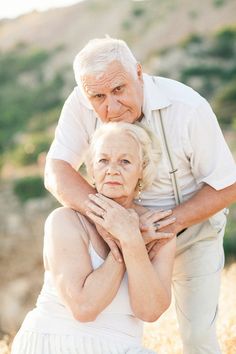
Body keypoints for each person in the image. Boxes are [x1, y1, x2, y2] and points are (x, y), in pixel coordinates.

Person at [44, 37, 236, 354]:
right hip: (117, 231)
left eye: (119, 90)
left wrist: (160, 226)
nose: (112, 107)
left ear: (138, 72)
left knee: (198, 338)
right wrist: (111, 220)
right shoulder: (79, 103)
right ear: (85, 93)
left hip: (190, 229)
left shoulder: (188, 107)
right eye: (99, 97)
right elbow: (57, 169)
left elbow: (227, 184)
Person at [11, 122, 176, 354]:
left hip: (122, 345)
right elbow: (84, 308)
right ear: (91, 168)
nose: (112, 170)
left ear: (143, 168)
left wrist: (134, 244)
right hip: (55, 341)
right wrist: (128, 238)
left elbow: (149, 311)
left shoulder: (158, 227)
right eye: (103, 160)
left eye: (125, 161)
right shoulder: (64, 221)